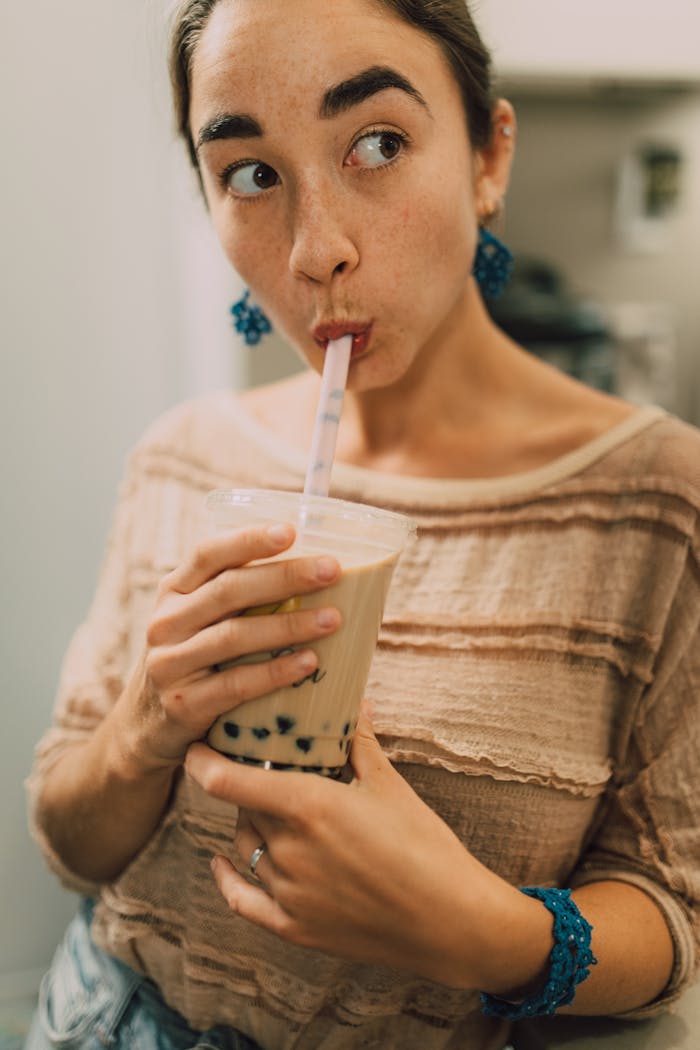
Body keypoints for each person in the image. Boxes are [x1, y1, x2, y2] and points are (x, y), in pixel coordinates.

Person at [25, 0, 700, 1048]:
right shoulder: (182, 458)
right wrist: (141, 728)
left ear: (487, 157)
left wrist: (484, 931)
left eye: (377, 144)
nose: (316, 250)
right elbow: (69, 841)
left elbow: (669, 909)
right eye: (251, 172)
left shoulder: (663, 508)